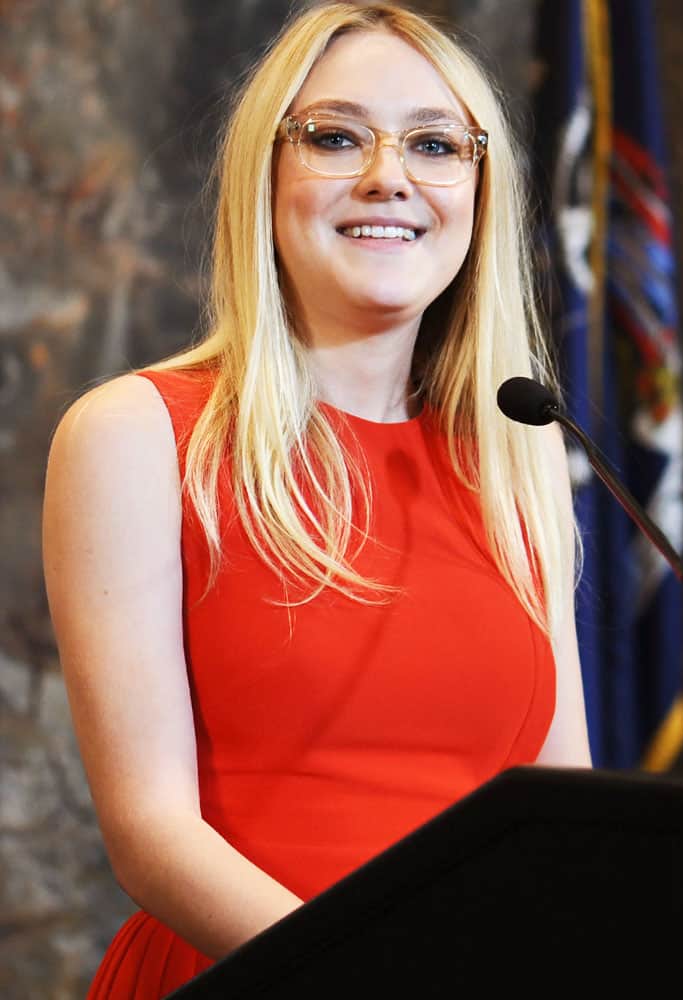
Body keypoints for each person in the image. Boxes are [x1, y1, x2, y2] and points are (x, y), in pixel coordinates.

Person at [42, 2, 591, 996]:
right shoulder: (133, 433)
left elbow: (565, 814)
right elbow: (151, 832)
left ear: (480, 189)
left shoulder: (521, 450)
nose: (389, 174)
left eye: (435, 144)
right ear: (268, 176)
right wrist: (373, 972)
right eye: (336, 137)